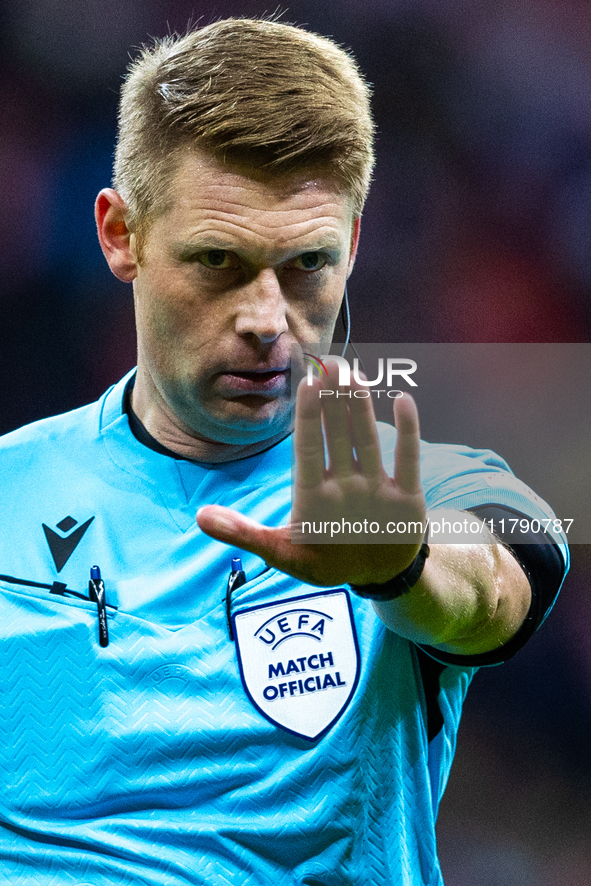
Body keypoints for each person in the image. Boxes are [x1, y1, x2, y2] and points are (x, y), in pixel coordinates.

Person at [0, 18, 568, 886]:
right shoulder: (10, 488)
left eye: (306, 264)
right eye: (219, 261)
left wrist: (401, 564)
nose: (267, 319)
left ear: (353, 246)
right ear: (122, 236)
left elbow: (491, 594)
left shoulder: (414, 485)